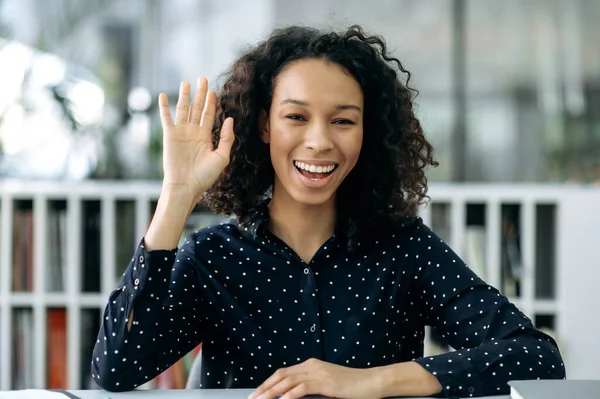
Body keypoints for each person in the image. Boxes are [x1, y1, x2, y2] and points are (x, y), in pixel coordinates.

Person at [91, 25, 565, 398]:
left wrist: (374, 382)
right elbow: (116, 368)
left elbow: (537, 358)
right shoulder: (211, 256)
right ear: (263, 126)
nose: (319, 141)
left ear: (368, 134)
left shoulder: (405, 248)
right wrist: (177, 194)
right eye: (296, 117)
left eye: (343, 120)